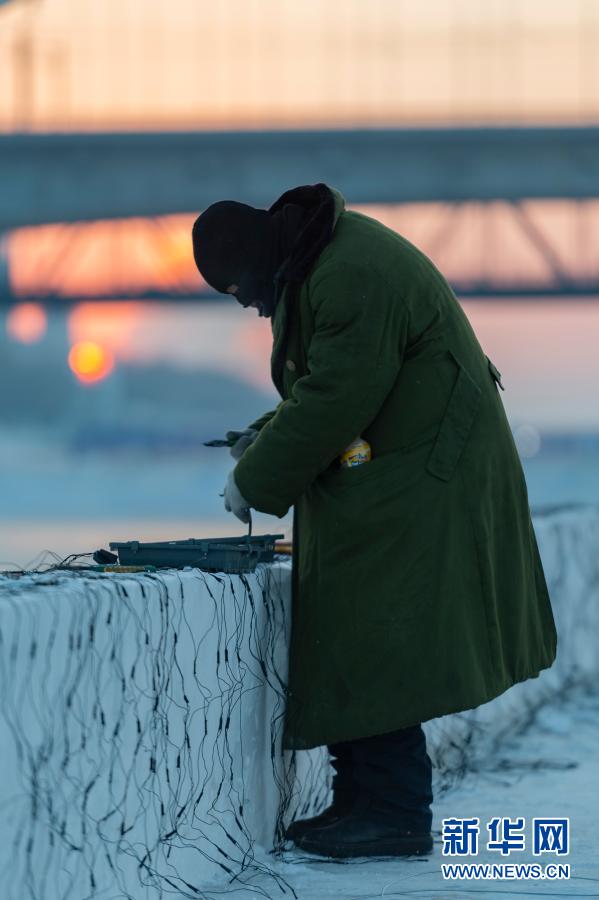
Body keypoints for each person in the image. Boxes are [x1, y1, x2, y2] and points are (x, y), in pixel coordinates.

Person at [191, 182, 557, 859]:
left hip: (428, 467)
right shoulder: (322, 259)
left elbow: (338, 394)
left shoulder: (348, 273)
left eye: (239, 289)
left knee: (377, 628)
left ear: (256, 258)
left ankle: (393, 814)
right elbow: (337, 381)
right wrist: (268, 433)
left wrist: (253, 479)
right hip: (402, 462)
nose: (246, 305)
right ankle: (361, 802)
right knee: (354, 621)